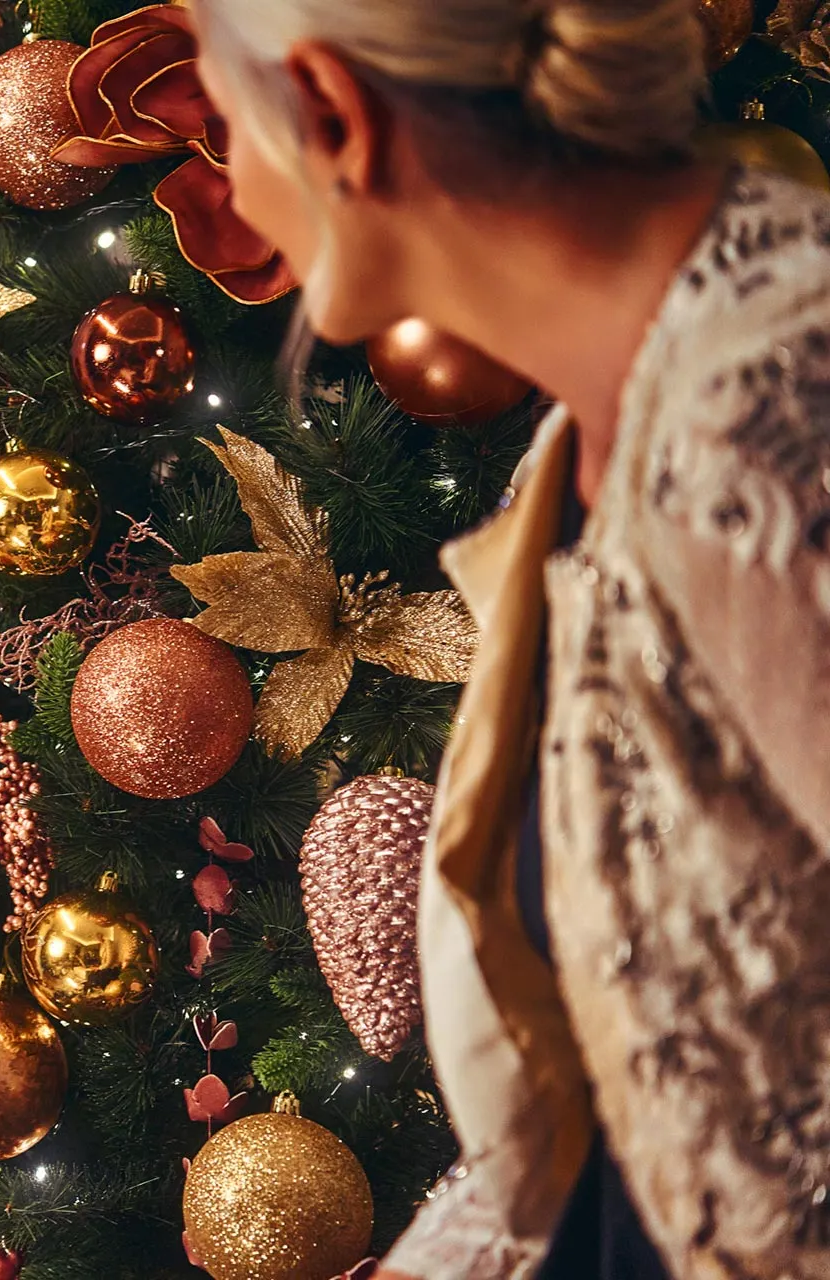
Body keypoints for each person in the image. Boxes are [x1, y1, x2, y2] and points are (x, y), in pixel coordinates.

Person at [183, 2, 830, 1277]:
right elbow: (627, 1118)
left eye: (220, 129)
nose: (231, 193)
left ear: (334, 118)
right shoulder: (594, 435)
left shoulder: (765, 437)